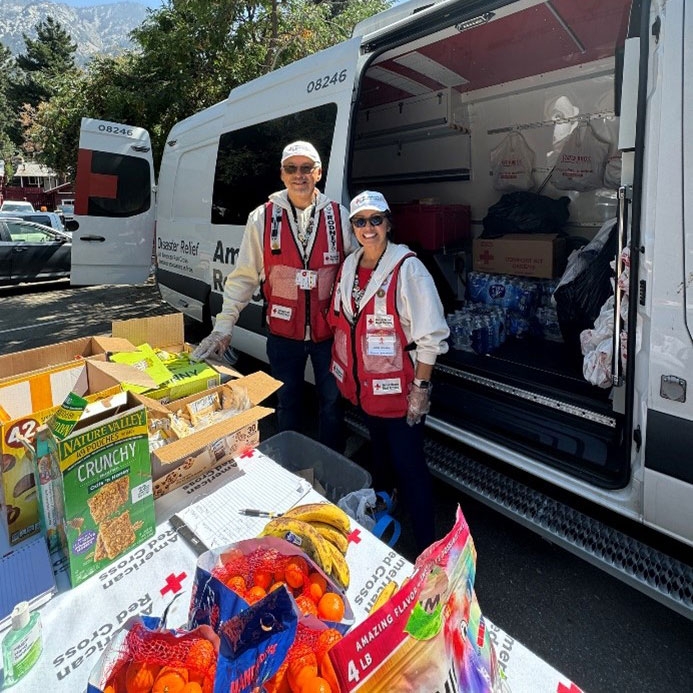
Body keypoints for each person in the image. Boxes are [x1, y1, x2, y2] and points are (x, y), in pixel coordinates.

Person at [191, 141, 357, 451]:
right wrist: (223, 326)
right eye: (291, 168)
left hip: (329, 336)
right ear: (282, 174)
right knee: (288, 402)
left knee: (333, 405)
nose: (299, 175)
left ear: (318, 173)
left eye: (306, 168)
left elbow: (357, 268)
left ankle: (333, 469)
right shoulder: (262, 218)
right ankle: (288, 462)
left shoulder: (338, 215)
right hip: (283, 335)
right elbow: (243, 276)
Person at [328, 191, 449, 552]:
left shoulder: (408, 267)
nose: (368, 228)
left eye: (375, 220)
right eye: (360, 221)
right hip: (366, 392)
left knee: (411, 469)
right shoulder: (350, 265)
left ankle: (428, 549)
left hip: (399, 397)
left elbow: (431, 335)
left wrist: (421, 389)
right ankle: (383, 524)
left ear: (388, 223)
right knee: (380, 461)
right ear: (353, 227)